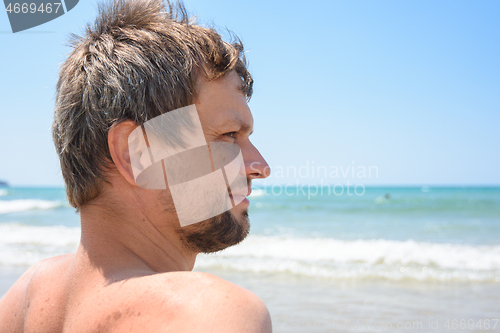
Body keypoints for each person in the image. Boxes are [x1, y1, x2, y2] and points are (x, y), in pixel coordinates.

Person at [0, 0, 272, 331]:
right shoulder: (210, 313)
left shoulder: (26, 299)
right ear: (137, 154)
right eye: (229, 135)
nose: (260, 166)